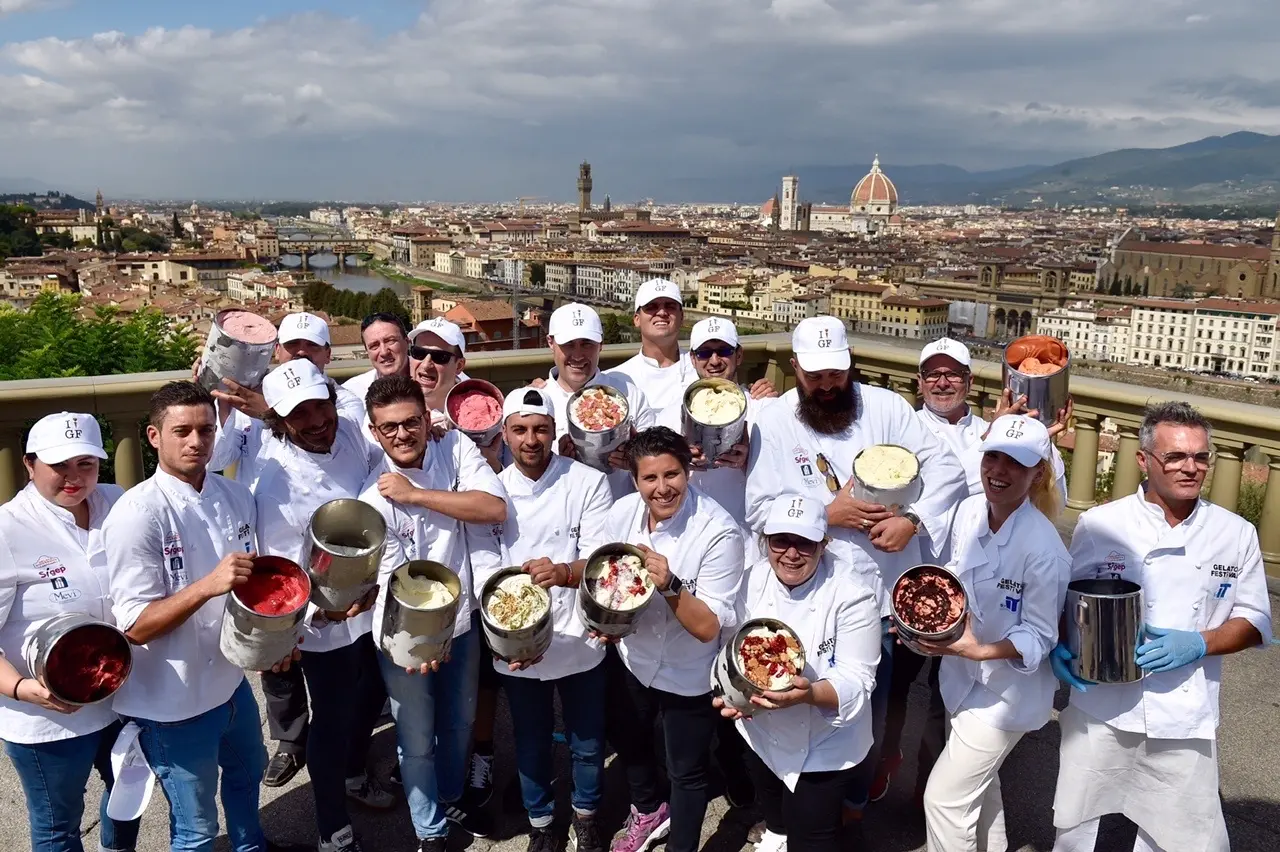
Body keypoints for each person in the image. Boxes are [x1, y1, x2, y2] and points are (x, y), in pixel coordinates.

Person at [745, 316, 968, 811]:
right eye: (815, 376)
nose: (826, 386)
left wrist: (913, 520)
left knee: (867, 708)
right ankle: (789, 806)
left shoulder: (887, 407)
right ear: (795, 368)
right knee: (787, 696)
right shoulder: (773, 421)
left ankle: (852, 807)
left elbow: (947, 470)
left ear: (850, 366)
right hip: (803, 593)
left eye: (836, 375)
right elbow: (758, 510)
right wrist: (826, 516)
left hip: (877, 594)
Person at [1050, 402, 1272, 852]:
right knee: (1076, 825)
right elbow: (1064, 600)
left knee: (1185, 837)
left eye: (1201, 457)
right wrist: (1059, 644)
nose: (1191, 468)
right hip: (1102, 704)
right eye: (1175, 457)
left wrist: (1198, 642)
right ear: (1144, 460)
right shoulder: (1101, 524)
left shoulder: (1236, 532)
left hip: (1184, 713)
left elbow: (1255, 619)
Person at [103, 381, 303, 852]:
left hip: (229, 685)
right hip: (171, 702)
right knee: (194, 827)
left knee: (246, 776)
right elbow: (134, 626)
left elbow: (255, 589)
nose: (197, 442)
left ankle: (250, 846)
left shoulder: (234, 496)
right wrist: (207, 585)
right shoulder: (138, 513)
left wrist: (275, 641)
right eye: (182, 432)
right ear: (154, 437)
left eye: (206, 431)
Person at [241, 360, 392, 851]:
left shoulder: (348, 431)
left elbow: (382, 467)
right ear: (280, 422)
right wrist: (311, 616)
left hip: (374, 597)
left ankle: (352, 774)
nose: (315, 421)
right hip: (326, 618)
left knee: (369, 697)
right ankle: (332, 827)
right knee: (332, 716)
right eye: (299, 414)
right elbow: (280, 569)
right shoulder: (273, 483)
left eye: (320, 405)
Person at [359, 375, 508, 852]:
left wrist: (416, 494)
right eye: (389, 429)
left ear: (428, 420)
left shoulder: (455, 449)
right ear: (374, 432)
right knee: (415, 733)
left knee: (460, 722)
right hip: (404, 632)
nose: (402, 435)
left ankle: (450, 794)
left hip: (460, 621)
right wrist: (418, 642)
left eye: (410, 423)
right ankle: (430, 829)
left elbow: (492, 507)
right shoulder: (369, 497)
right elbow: (386, 583)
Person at [471, 386, 614, 852]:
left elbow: (598, 560)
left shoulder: (586, 482)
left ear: (555, 432)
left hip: (579, 634)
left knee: (588, 740)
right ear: (505, 435)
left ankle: (587, 815)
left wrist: (563, 572)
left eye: (540, 429)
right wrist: (514, 632)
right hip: (516, 639)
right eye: (520, 430)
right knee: (530, 740)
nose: (531, 439)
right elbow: (484, 566)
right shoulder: (490, 492)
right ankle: (541, 823)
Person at [918, 414, 1070, 852]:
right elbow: (952, 576)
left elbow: (1040, 637)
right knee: (980, 794)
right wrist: (927, 620)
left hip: (1006, 697)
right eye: (994, 457)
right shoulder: (969, 511)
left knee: (945, 800)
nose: (999, 471)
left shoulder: (1044, 550)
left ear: (1037, 472)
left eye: (1015, 464)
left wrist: (977, 650)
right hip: (962, 681)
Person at [0, 413, 141, 852]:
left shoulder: (118, 503)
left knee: (129, 797)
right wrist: (24, 689)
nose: (74, 478)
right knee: (58, 824)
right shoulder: (8, 528)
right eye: (60, 465)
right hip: (49, 717)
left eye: (86, 464)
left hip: (122, 695)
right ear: (29, 464)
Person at [601, 427, 745, 852]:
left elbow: (708, 629)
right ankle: (648, 810)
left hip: (689, 671)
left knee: (687, 771)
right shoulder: (623, 512)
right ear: (634, 479)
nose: (662, 488)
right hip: (634, 656)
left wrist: (669, 585)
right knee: (628, 739)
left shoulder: (719, 532)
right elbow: (607, 574)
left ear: (689, 472)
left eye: (672, 475)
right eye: (650, 478)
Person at [654, 315, 776, 812]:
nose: (713, 360)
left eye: (722, 352)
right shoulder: (669, 409)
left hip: (743, 561)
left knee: (736, 675)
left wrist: (753, 459)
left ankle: (743, 778)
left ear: (738, 356)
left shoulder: (765, 412)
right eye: (704, 353)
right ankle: (694, 775)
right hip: (685, 556)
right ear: (691, 359)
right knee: (685, 678)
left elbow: (793, 481)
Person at [713, 494, 881, 852]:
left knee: (812, 836)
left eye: (805, 542)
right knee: (773, 805)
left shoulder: (852, 593)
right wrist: (732, 692)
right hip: (759, 726)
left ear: (824, 543)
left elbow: (858, 681)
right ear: (766, 542)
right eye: (780, 541)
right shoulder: (751, 579)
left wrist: (807, 694)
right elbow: (730, 644)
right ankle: (776, 831)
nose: (791, 553)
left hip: (824, 744)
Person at [538, 303, 657, 499]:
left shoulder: (631, 397)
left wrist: (636, 462)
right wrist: (555, 466)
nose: (578, 355)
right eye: (569, 344)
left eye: (587, 344)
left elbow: (657, 471)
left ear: (601, 344)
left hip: (619, 520)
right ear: (550, 342)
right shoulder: (538, 402)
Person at [211, 311, 366, 427]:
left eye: (312, 345)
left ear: (328, 355)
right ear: (277, 350)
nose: (301, 352)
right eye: (292, 344)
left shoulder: (347, 403)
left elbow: (337, 447)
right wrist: (219, 399)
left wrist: (269, 413)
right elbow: (219, 461)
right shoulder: (249, 395)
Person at [610, 279, 698, 411]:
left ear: (681, 317)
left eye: (670, 306)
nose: (662, 313)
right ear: (637, 319)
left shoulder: (701, 371)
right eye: (651, 307)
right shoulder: (616, 380)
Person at [406, 317, 472, 424]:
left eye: (439, 357)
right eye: (418, 353)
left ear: (459, 366)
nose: (426, 364)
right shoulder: (391, 404)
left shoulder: (475, 412)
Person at [344, 312, 412, 403]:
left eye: (390, 341)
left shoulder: (433, 386)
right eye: (374, 346)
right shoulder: (352, 393)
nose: (384, 352)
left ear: (407, 342)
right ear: (367, 352)